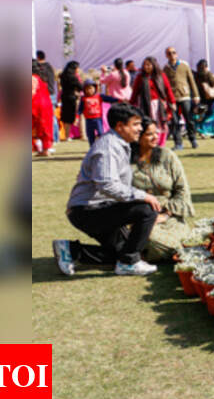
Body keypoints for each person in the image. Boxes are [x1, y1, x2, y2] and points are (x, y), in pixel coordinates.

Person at [53, 103, 161, 276]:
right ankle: (128, 264)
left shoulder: (119, 143)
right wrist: (141, 196)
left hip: (100, 208)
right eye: (135, 124)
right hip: (88, 210)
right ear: (120, 126)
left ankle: (70, 250)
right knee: (147, 210)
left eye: (140, 124)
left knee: (123, 251)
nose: (140, 129)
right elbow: (107, 184)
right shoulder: (109, 147)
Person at [131, 117, 194, 262]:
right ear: (138, 137)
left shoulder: (167, 156)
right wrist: (148, 217)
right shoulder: (126, 161)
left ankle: (144, 253)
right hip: (141, 217)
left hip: (170, 215)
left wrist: (166, 215)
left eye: (156, 132)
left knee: (183, 242)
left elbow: (182, 189)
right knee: (154, 240)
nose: (155, 137)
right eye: (149, 134)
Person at [130, 57, 176, 145]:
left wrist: (172, 102)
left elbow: (168, 89)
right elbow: (135, 92)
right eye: (144, 65)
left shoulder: (161, 75)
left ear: (153, 65)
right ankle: (150, 143)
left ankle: (161, 144)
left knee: (161, 124)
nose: (146, 67)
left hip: (159, 105)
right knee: (148, 124)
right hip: (145, 105)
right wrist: (131, 103)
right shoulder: (140, 77)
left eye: (148, 65)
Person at [162, 47, 199, 150]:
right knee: (174, 121)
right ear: (166, 55)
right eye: (169, 53)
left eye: (174, 52)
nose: (172, 55)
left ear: (177, 54)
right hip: (172, 98)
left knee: (189, 119)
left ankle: (193, 139)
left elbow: (191, 81)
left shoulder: (184, 65)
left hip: (185, 96)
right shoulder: (165, 68)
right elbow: (164, 85)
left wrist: (196, 95)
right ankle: (178, 143)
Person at [76, 80, 119, 146]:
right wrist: (77, 117)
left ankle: (102, 146)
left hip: (98, 119)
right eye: (87, 89)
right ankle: (92, 148)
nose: (89, 90)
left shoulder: (99, 96)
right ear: (84, 90)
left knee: (100, 133)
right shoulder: (83, 99)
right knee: (90, 135)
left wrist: (118, 100)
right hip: (88, 120)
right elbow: (80, 109)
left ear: (95, 88)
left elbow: (109, 99)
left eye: (91, 88)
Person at [194, 60, 214, 138]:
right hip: (211, 98)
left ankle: (209, 132)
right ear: (205, 67)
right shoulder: (208, 74)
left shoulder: (196, 76)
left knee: (203, 114)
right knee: (213, 114)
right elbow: (213, 83)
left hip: (202, 98)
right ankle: (204, 129)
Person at [31, 67, 55, 156]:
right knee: (45, 128)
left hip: (36, 105)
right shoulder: (41, 79)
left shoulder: (32, 78)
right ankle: (45, 150)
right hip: (46, 105)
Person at [58, 61, 83, 142]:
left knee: (65, 117)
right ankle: (68, 136)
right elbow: (80, 86)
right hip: (71, 97)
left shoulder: (62, 76)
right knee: (70, 117)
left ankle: (66, 135)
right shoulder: (73, 77)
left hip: (64, 96)